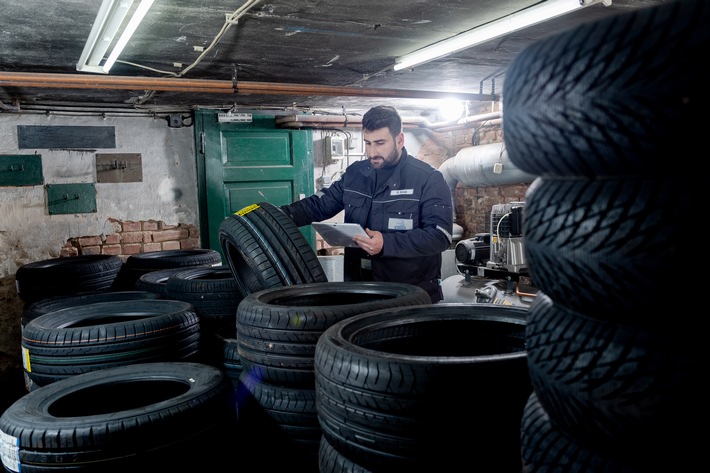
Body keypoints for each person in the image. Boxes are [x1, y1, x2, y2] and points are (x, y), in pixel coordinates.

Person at [280, 105, 453, 303]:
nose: (372, 152)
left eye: (380, 143)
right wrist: (274, 216)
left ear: (400, 139)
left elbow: (440, 236)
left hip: (409, 295)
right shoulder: (356, 174)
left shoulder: (428, 179)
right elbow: (318, 206)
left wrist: (386, 243)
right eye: (368, 143)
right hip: (360, 291)